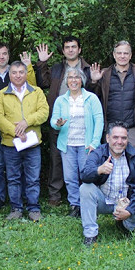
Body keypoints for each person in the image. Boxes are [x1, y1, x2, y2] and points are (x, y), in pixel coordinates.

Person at [78, 122, 135, 246]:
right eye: (115, 137)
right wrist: (99, 170)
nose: (119, 142)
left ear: (127, 139)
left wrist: (130, 210)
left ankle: (125, 225)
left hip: (125, 204)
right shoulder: (98, 152)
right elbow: (84, 175)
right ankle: (90, 234)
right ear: (108, 138)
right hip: (103, 202)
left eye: (124, 138)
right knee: (85, 188)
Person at [35, 36, 93, 207]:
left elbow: (96, 94)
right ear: (64, 50)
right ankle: (55, 194)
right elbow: (43, 83)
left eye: (73, 47)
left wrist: (95, 80)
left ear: (79, 49)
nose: (70, 50)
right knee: (57, 159)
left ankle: (83, 196)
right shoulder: (57, 68)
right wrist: (42, 63)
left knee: (83, 162)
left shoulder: (88, 69)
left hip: (83, 123)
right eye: (67, 47)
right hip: (59, 120)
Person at [0, 42, 38, 211]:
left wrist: (29, 67)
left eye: (4, 53)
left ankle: (27, 199)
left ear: (8, 55)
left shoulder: (17, 71)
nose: (1, 57)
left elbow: (33, 88)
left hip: (25, 132)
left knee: (24, 166)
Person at [0, 60, 49, 221]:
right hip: (11, 144)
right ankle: (16, 209)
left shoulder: (36, 92)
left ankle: (33, 209)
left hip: (32, 143)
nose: (18, 75)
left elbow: (44, 112)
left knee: (33, 178)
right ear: (9, 75)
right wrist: (15, 131)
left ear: (26, 74)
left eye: (21, 72)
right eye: (14, 72)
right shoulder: (1, 94)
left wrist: (27, 122)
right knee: (13, 178)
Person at [50, 67, 104, 218]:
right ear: (66, 81)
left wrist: (95, 142)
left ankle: (90, 204)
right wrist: (58, 123)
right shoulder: (61, 100)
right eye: (70, 77)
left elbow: (99, 120)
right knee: (69, 178)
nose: (73, 80)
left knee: (86, 176)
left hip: (86, 145)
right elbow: (53, 121)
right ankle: (75, 205)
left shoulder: (91, 98)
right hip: (67, 145)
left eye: (77, 77)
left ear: (82, 80)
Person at [89, 40, 135, 151]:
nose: (122, 56)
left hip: (133, 128)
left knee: (134, 163)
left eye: (126, 53)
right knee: (110, 164)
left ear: (130, 55)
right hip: (110, 128)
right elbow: (93, 99)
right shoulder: (104, 74)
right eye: (119, 53)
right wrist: (94, 82)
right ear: (114, 55)